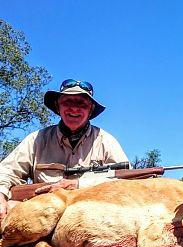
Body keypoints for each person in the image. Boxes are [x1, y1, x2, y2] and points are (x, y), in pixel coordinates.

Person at [0, 79, 130, 220]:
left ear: (90, 109)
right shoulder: (36, 139)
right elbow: (6, 172)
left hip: (92, 216)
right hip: (42, 213)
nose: (74, 108)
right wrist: (1, 195)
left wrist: (78, 185)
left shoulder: (106, 141)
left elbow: (127, 181)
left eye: (81, 103)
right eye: (68, 101)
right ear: (57, 106)